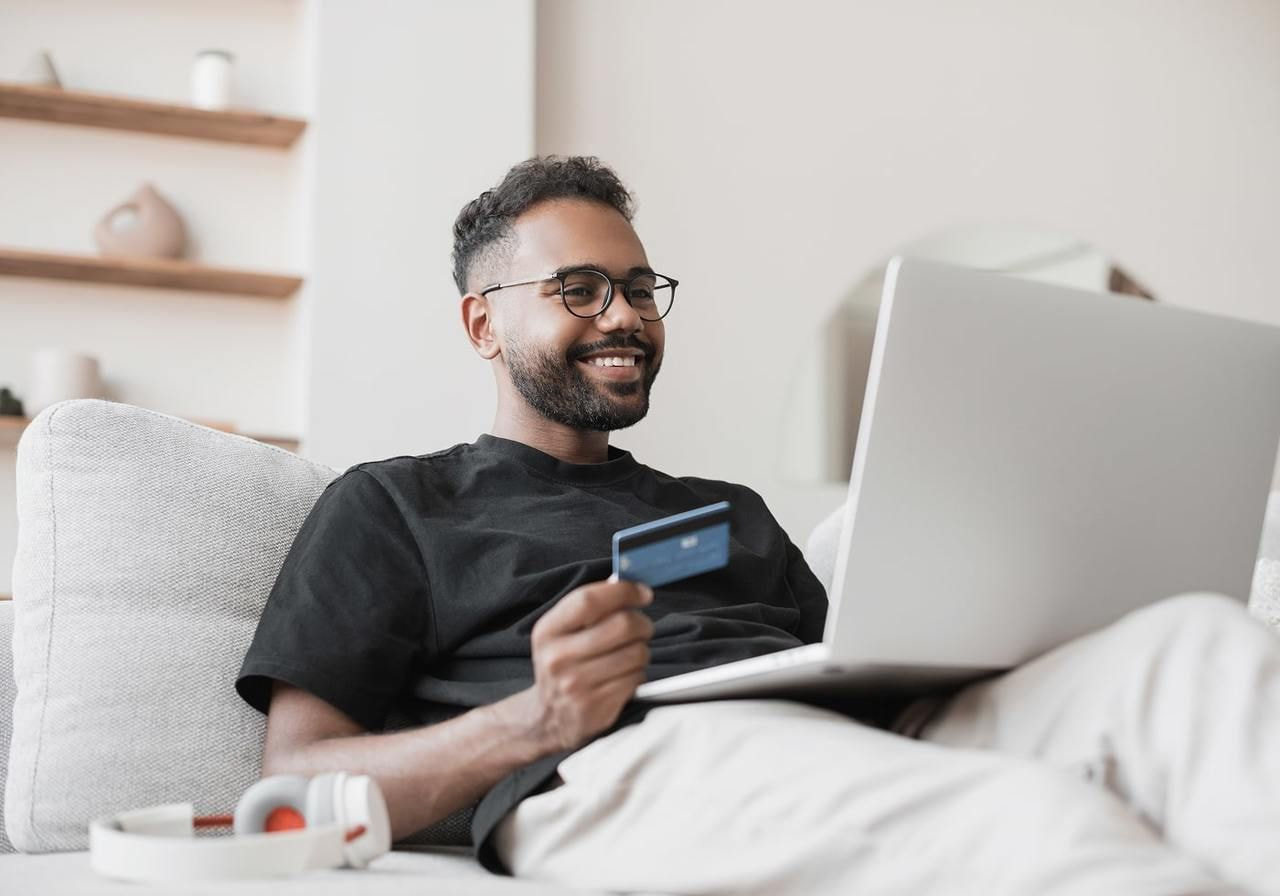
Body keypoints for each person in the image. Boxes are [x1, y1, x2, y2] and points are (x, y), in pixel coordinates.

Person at [236, 156, 1280, 896]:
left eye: (639, 288)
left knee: (1198, 647)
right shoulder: (396, 503)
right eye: (580, 288)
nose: (624, 316)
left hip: (854, 730)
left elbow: (857, 663)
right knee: (1037, 829)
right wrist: (539, 717)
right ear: (481, 322)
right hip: (618, 758)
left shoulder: (725, 508)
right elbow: (296, 776)